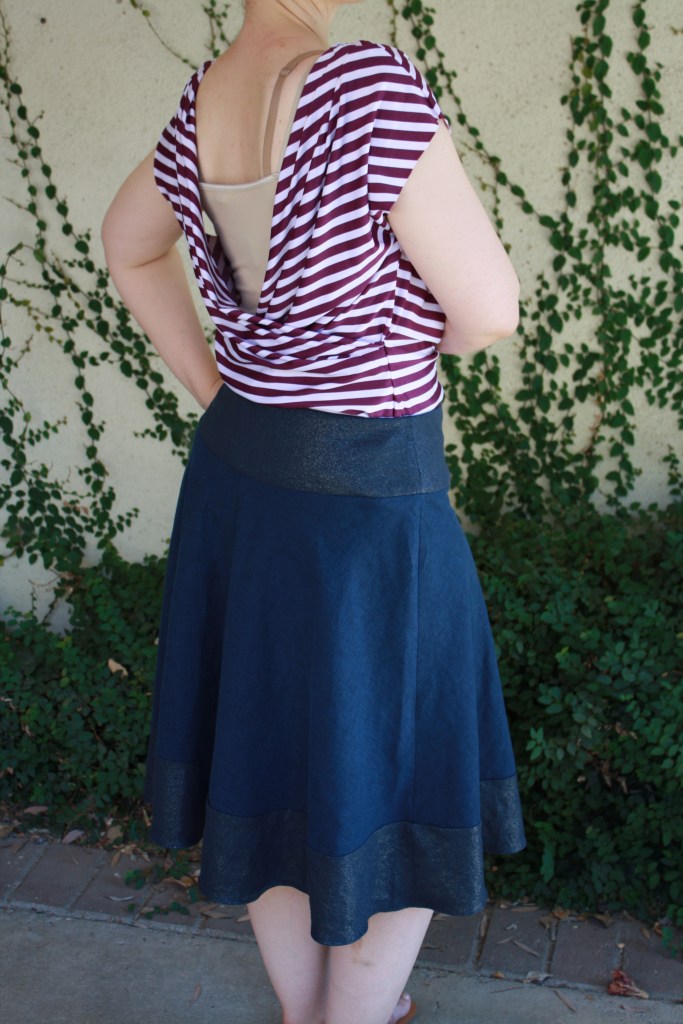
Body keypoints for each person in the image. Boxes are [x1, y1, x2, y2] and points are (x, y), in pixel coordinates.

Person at [101, 1, 525, 1022]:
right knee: (400, 761)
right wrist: (398, 325)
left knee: (271, 745)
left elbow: (127, 246)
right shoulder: (364, 85)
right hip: (367, 498)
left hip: (242, 481)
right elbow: (488, 311)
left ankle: (308, 1012)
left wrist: (224, 391)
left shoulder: (203, 102)